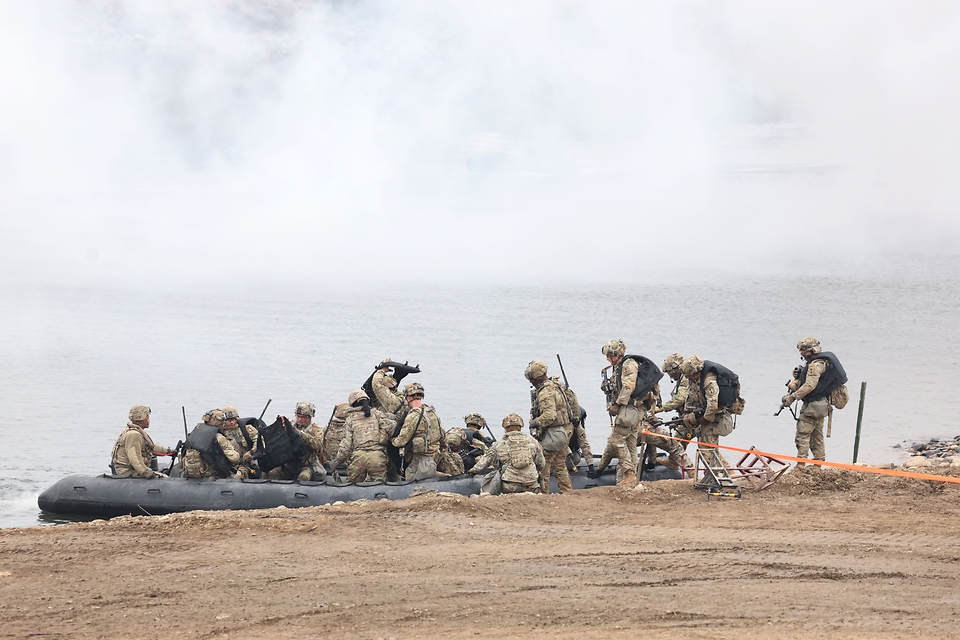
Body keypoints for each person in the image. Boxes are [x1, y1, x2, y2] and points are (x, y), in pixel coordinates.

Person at [596, 340, 661, 485]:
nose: (607, 359)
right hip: (635, 410)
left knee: (615, 441)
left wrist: (617, 404)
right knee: (631, 443)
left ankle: (629, 473)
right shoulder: (620, 366)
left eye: (608, 356)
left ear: (615, 354)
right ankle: (632, 480)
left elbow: (628, 387)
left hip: (631, 409)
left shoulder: (627, 365)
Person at [782, 337, 848, 465]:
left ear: (809, 350)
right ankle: (818, 463)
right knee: (817, 435)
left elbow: (810, 385)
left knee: (802, 435)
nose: (801, 354)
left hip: (813, 406)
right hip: (823, 404)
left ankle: (801, 465)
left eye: (803, 351)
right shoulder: (823, 361)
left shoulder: (815, 365)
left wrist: (793, 397)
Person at [678, 356, 741, 467]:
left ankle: (714, 476)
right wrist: (687, 413)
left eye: (689, 376)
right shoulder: (693, 380)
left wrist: (705, 419)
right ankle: (723, 473)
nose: (688, 378)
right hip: (704, 414)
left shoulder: (709, 381)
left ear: (696, 372)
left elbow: (713, 404)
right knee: (709, 449)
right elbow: (691, 397)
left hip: (714, 418)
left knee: (707, 450)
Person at [525, 360, 573, 494]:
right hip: (565, 429)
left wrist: (534, 423)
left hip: (554, 433)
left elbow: (549, 416)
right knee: (559, 464)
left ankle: (543, 493)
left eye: (531, 379)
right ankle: (567, 491)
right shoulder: (555, 385)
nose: (531, 382)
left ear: (537, 378)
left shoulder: (545, 393)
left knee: (543, 465)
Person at [330, 390, 398, 482]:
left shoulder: (350, 419)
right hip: (377, 457)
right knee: (379, 487)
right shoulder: (376, 414)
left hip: (358, 458)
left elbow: (346, 445)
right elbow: (392, 428)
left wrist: (338, 460)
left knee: (352, 487)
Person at [470, 413, 545, 494]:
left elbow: (485, 461)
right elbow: (541, 464)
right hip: (531, 484)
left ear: (506, 428)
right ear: (520, 427)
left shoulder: (500, 444)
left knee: (491, 479)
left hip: (510, 486)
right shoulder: (533, 441)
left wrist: (473, 470)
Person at [391, 382, 443, 480]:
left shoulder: (413, 415)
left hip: (421, 458)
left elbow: (401, 441)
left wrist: (392, 440)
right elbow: (442, 435)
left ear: (409, 398)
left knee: (409, 476)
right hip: (435, 455)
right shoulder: (432, 412)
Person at [266, 402, 327, 481]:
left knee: (303, 477)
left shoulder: (315, 430)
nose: (300, 419)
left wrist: (300, 434)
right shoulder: (290, 425)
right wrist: (282, 428)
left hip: (306, 464)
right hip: (288, 464)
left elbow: (318, 445)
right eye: (298, 416)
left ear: (310, 417)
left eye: (303, 417)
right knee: (271, 474)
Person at [111, 405, 172, 478]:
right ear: (142, 419)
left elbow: (150, 447)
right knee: (164, 478)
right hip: (126, 471)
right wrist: (146, 472)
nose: (148, 420)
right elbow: (134, 458)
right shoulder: (134, 435)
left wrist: (168, 451)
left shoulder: (135, 431)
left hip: (131, 469)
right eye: (147, 417)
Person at [182, 409, 241, 479]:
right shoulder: (219, 437)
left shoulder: (195, 432)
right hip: (210, 475)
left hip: (193, 472)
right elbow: (234, 458)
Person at [220, 405, 259, 478]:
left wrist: (251, 452)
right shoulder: (220, 433)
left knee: (237, 477)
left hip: (243, 464)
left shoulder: (246, 429)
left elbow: (259, 439)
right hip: (226, 465)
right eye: (229, 420)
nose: (232, 422)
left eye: (233, 419)